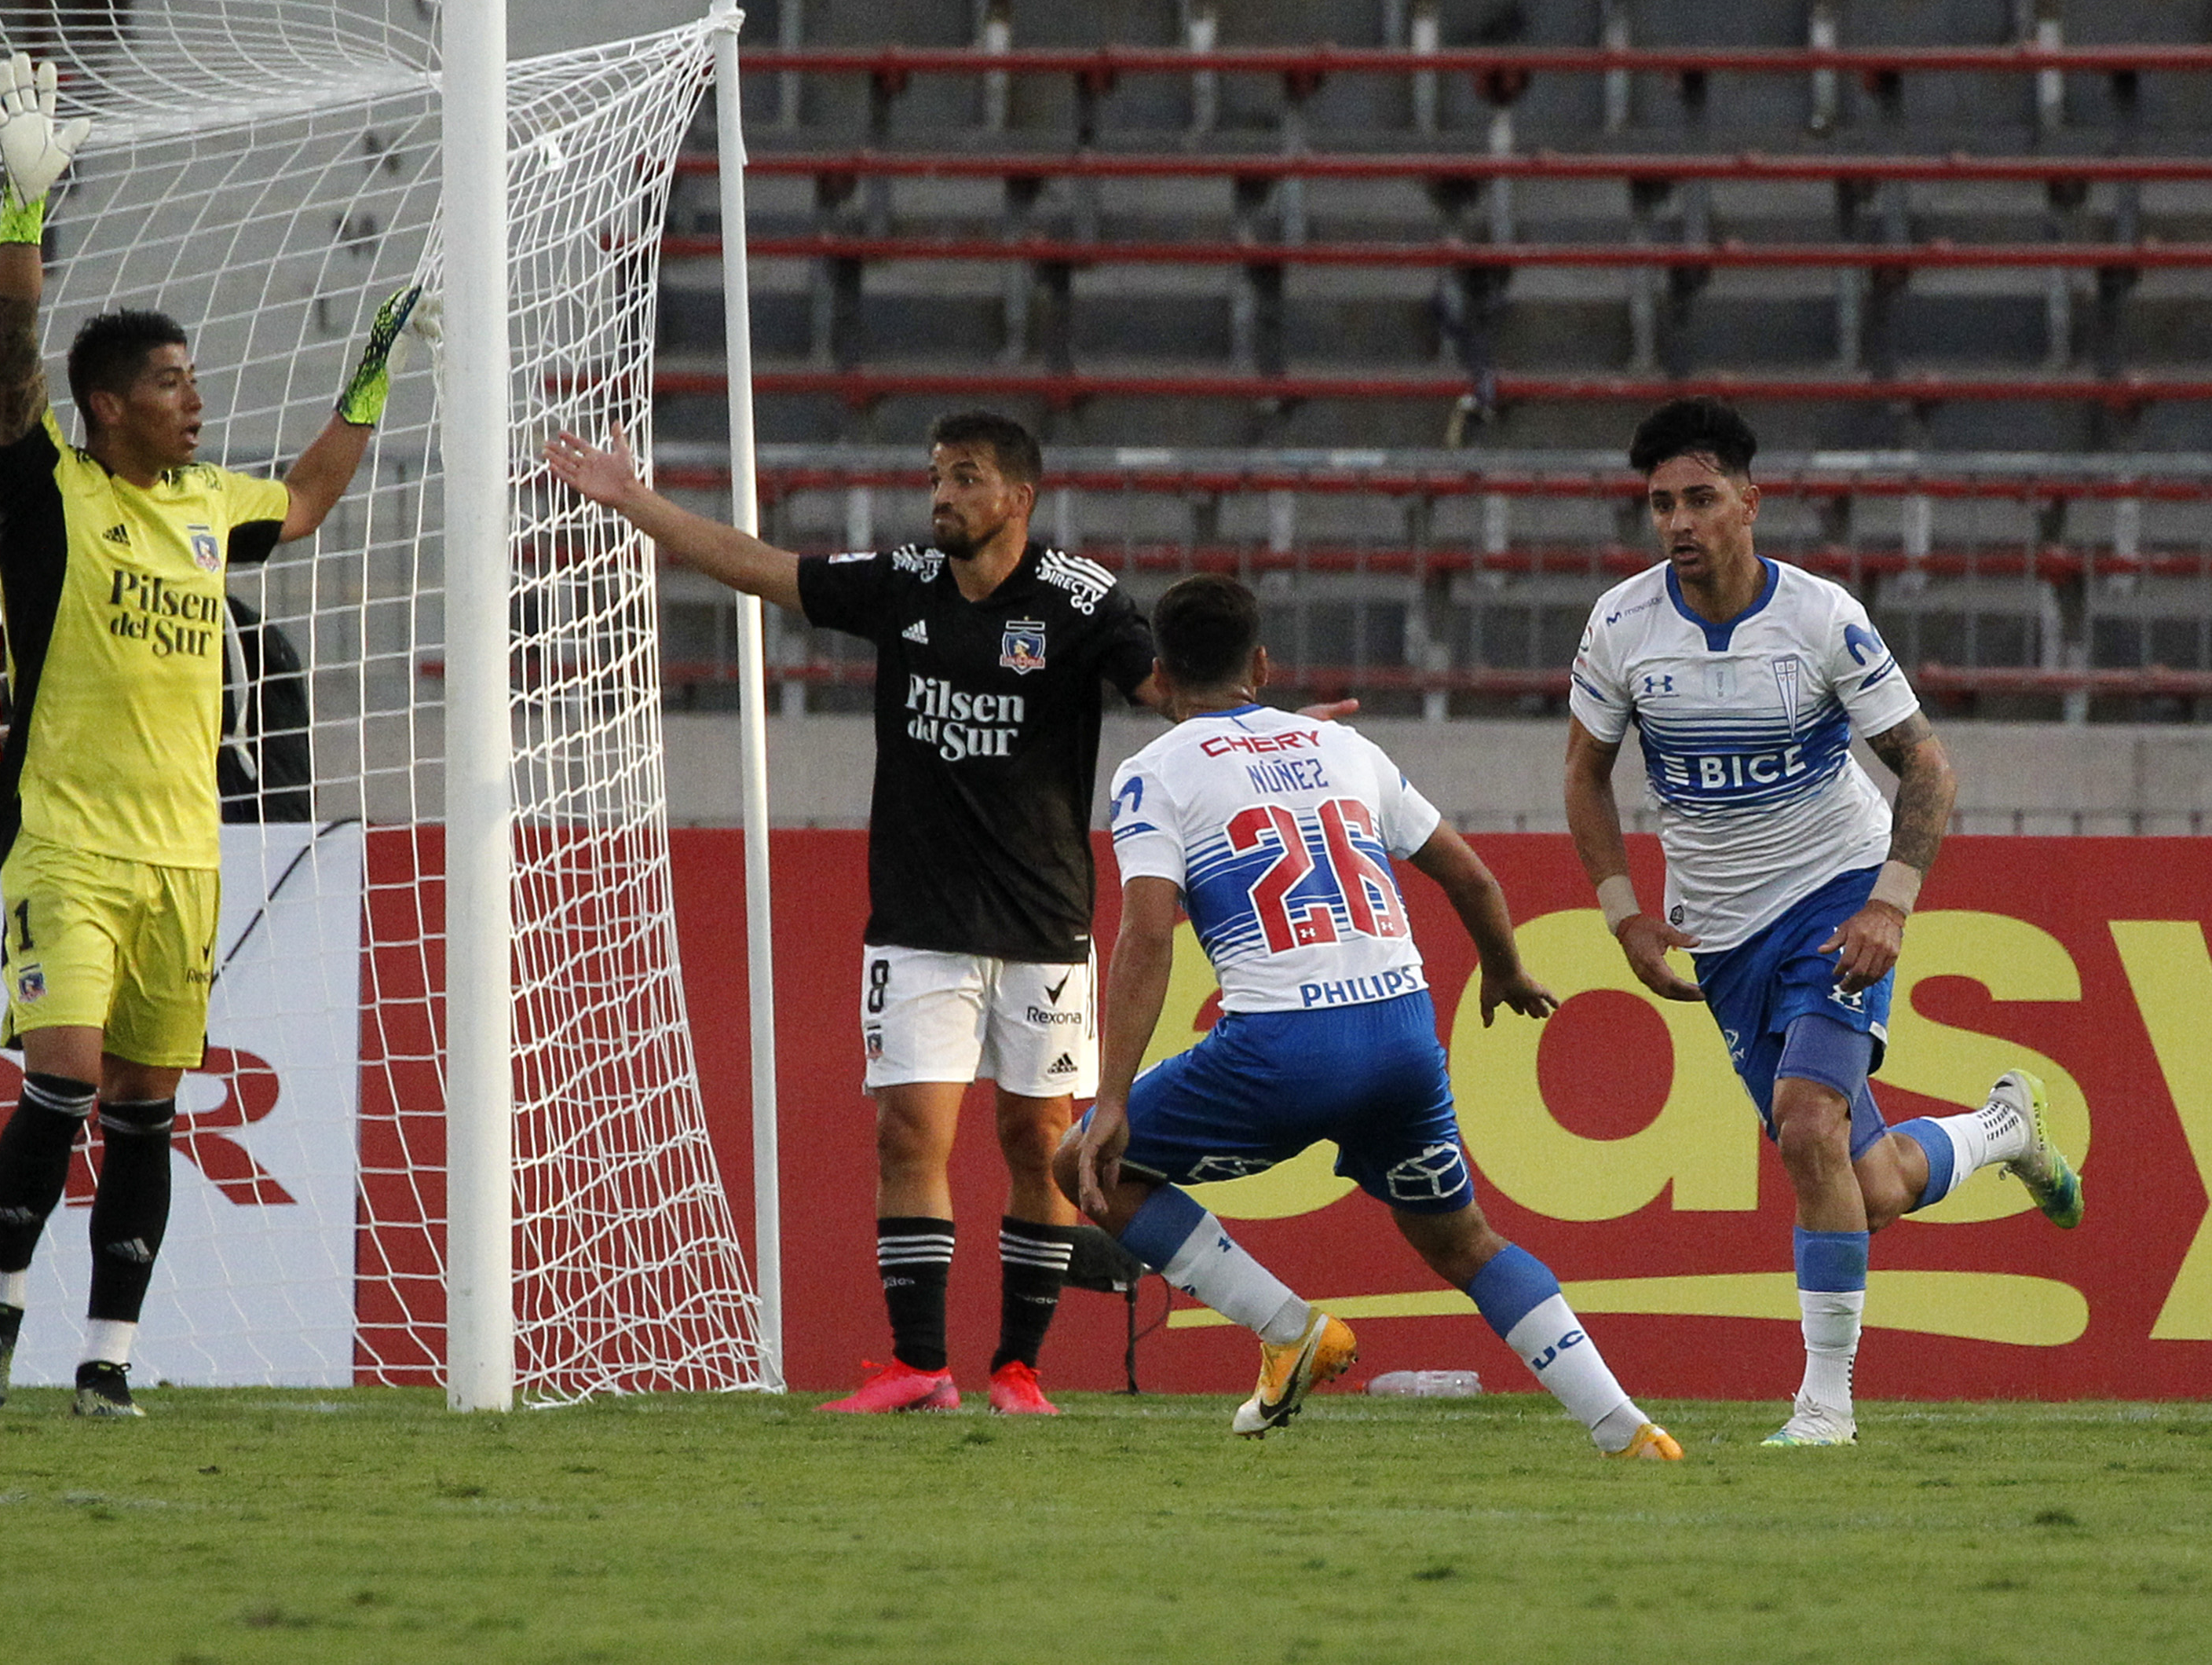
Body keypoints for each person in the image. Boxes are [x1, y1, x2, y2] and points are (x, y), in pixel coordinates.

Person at [0, 53, 421, 1418]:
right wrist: (23, 214)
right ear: (108, 406)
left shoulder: (211, 505)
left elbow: (314, 498)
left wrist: (372, 377)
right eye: (170, 380)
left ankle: (106, 1360)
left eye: (191, 379)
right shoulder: (51, 495)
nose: (194, 397)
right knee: (67, 1077)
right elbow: (8, 364)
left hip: (185, 852)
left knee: (148, 1109)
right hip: (69, 842)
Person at [545, 412, 1162, 1415]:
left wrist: (1262, 728)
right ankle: (921, 1365)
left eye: (964, 478)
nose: (941, 495)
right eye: (934, 477)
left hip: (1045, 925)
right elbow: (761, 567)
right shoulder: (904, 583)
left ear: (1018, 497)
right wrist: (634, 503)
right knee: (909, 1134)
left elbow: (1166, 691)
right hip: (917, 921)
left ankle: (1019, 1370)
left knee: (1037, 1139)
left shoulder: (1078, 601)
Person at [1563, 397, 2083, 1447]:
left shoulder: (1820, 620)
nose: (1678, 522)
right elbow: (1584, 772)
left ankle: (1825, 1408)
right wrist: (1624, 915)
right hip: (1719, 930)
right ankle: (2000, 1131)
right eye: (1660, 503)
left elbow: (1927, 764)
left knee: (1807, 1122)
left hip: (1835, 891)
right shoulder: (1622, 626)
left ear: (1750, 503)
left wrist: (1891, 897)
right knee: (1862, 1179)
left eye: (1700, 498)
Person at [1067, 573, 1681, 1458]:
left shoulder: (1150, 772)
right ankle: (1625, 1429)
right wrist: (1504, 971)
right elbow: (1470, 877)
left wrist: (1114, 1094)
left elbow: (1145, 937)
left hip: (1280, 1050)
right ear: (1263, 663)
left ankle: (1287, 1331)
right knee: (1464, 1242)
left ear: (1158, 675)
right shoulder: (1341, 748)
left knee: (1080, 1161)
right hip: (1399, 1035)